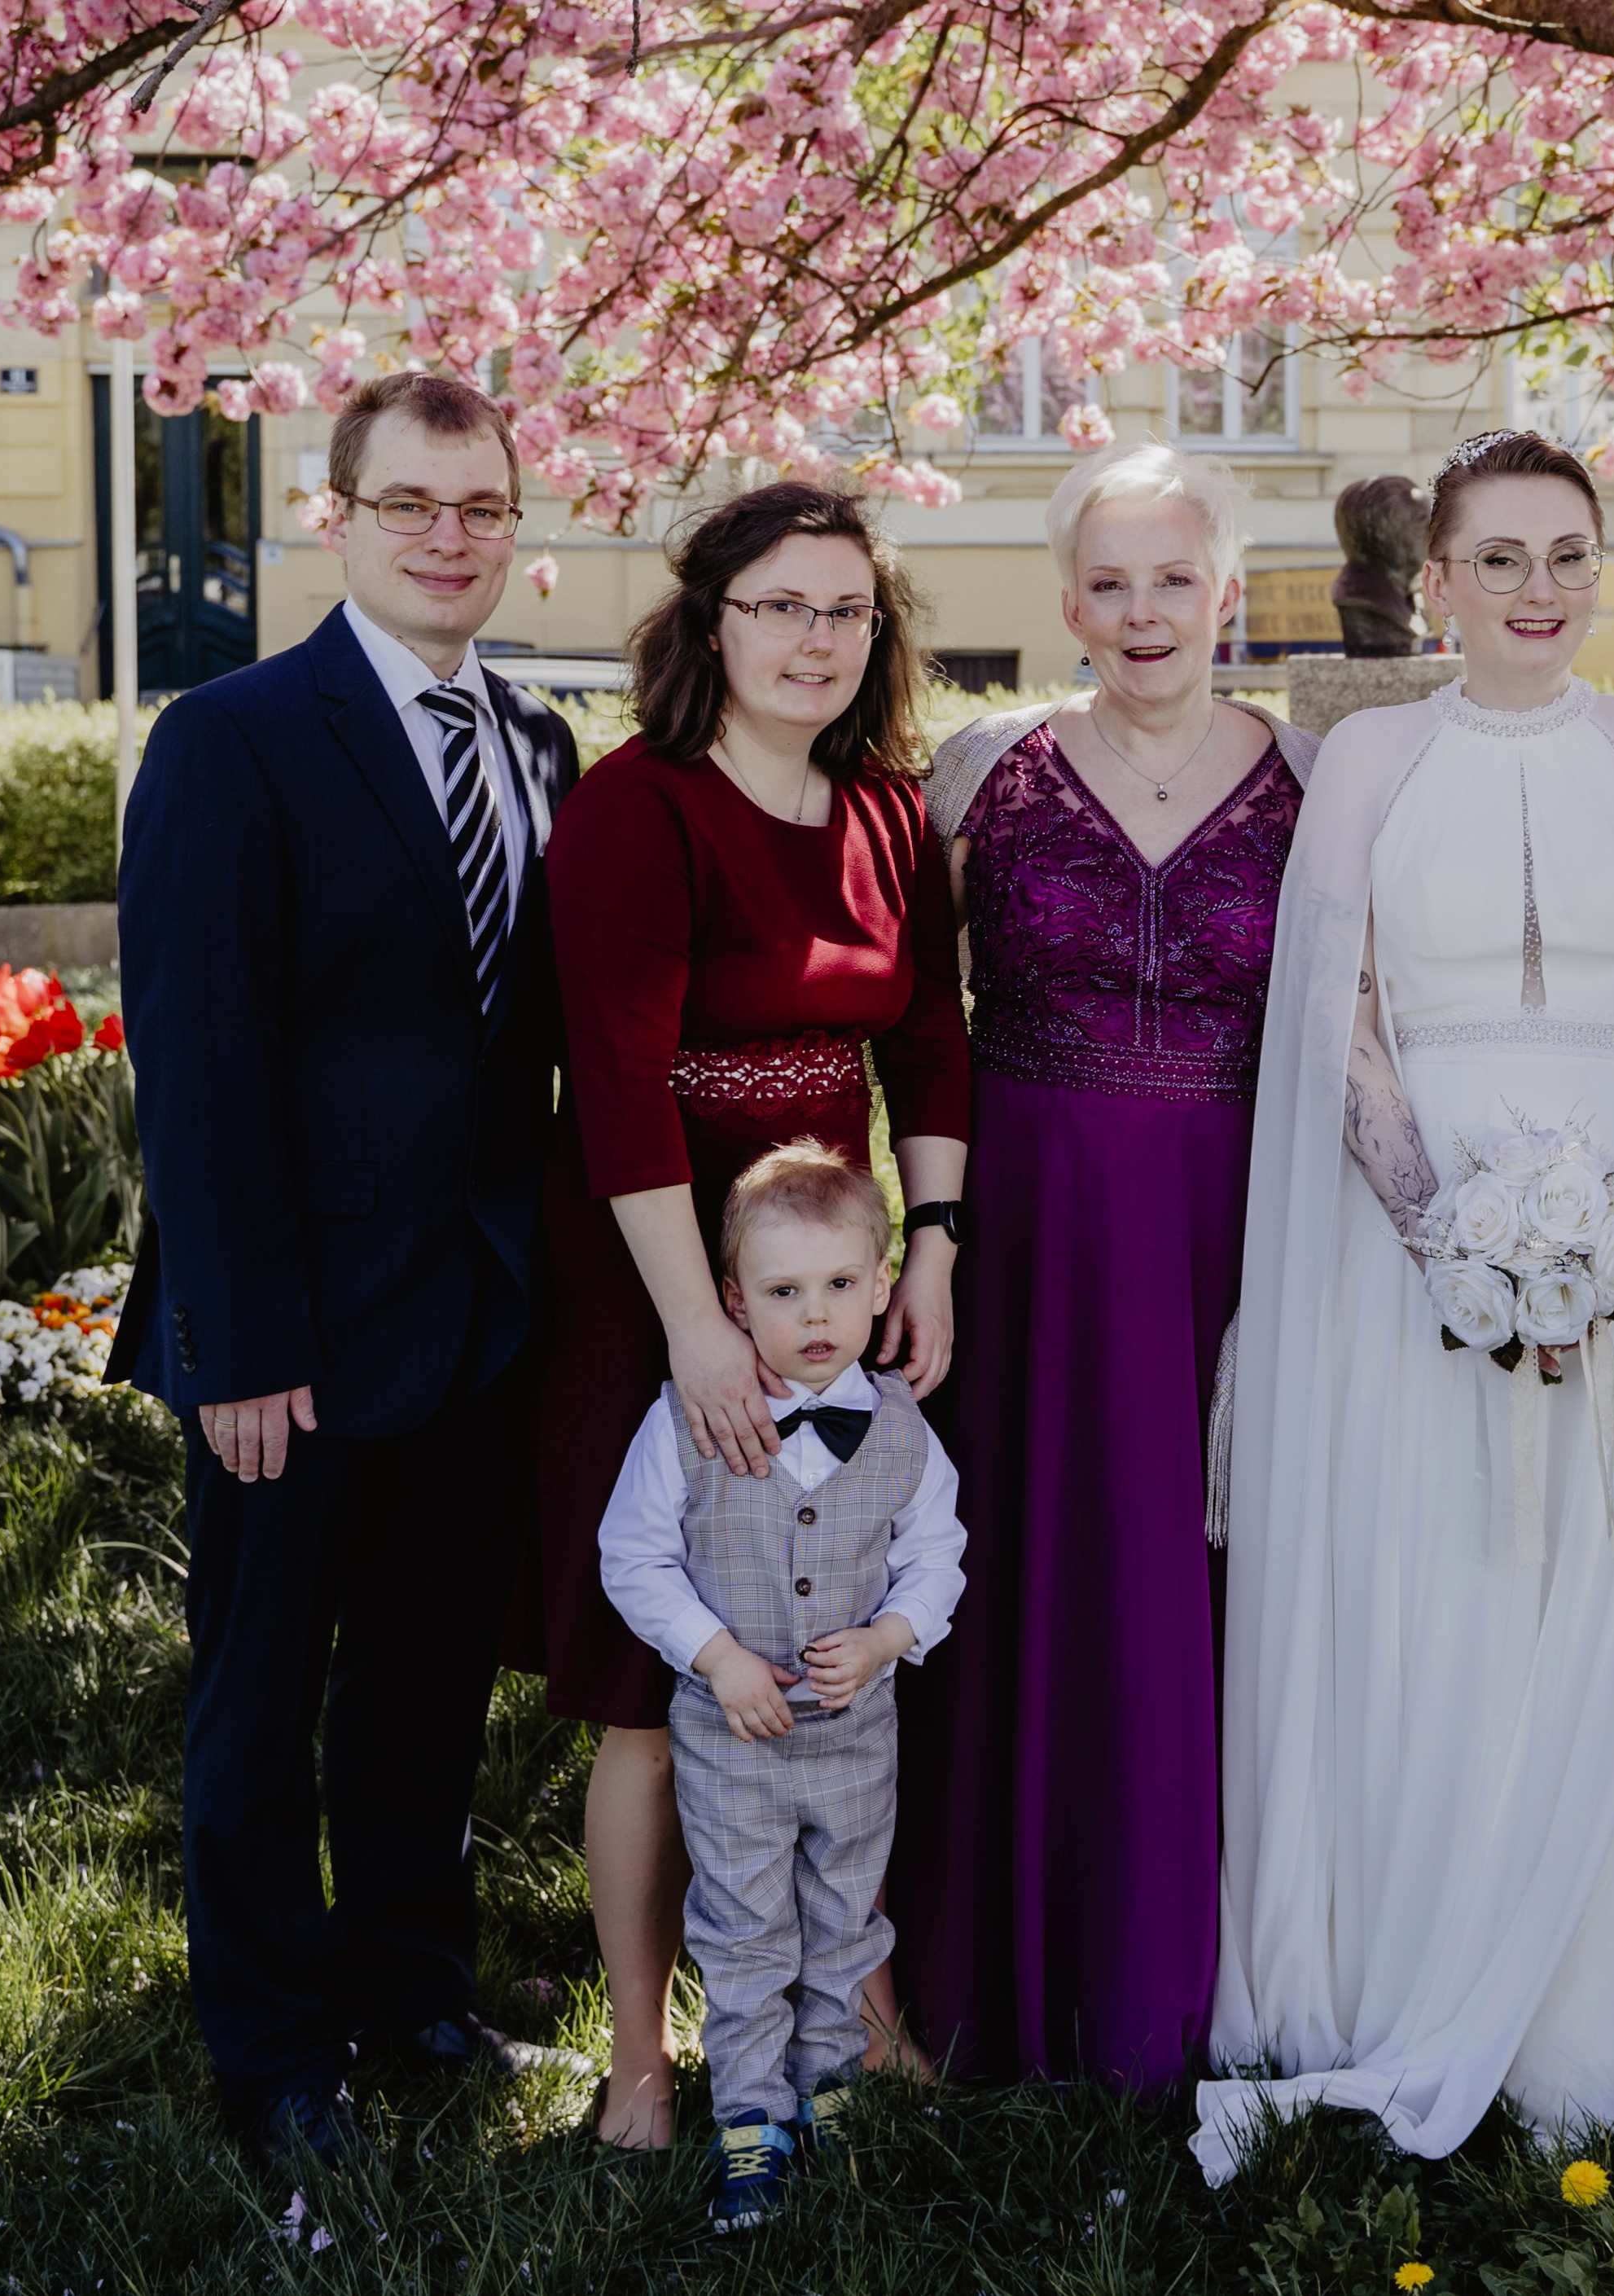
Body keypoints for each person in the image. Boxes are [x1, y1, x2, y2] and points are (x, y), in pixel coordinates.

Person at [1192, 430, 1614, 2183]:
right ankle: (1411, 1961)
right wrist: (1452, 1245)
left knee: (1604, 1562)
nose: (1538, 591)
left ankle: (1610, 1987)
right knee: (1436, 1564)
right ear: (1439, 583)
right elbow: (1338, 1017)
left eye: (1568, 556)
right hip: (1410, 1260)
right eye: (1500, 559)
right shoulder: (1371, 759)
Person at [110, 371, 586, 2168]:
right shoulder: (232, 737)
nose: (449, 539)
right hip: (289, 1333)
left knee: (424, 1682)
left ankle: (410, 1987)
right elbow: (198, 1057)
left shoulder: (537, 745)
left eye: (481, 509)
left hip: (474, 1314)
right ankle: (272, 2049)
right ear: (342, 517)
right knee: (257, 1705)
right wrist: (236, 1340)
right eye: (412, 506)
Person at [534, 481, 971, 2149]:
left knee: (848, 1625)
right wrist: (693, 1333)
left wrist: (930, 1248)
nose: (817, 638)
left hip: (825, 1277)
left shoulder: (889, 813)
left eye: (847, 609)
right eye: (782, 604)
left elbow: (927, 1045)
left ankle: (858, 2013)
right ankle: (646, 2062)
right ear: (710, 621)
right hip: (651, 1273)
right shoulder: (635, 810)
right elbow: (619, 1084)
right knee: (652, 1686)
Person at [893, 443, 1313, 2089]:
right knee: (1021, 1562)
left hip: (1230, 1225)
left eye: (1174, 579)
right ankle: (988, 1975)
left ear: (1227, 593)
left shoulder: (1314, 781)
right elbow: (912, 1016)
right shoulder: (980, 772)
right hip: (1024, 1234)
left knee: (1200, 1567)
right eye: (1110, 583)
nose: (1144, 613)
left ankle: (1181, 1984)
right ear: (1066, 603)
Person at [598, 1142, 965, 2234]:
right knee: (745, 1928)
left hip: (854, 1742)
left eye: (841, 1285)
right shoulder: (685, 1423)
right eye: (784, 1292)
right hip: (732, 1747)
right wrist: (714, 1655)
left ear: (882, 1284)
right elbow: (635, 1558)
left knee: (845, 1919)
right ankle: (750, 2123)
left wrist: (889, 1636)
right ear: (733, 1304)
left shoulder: (901, 1430)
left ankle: (830, 2095)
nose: (816, 1315)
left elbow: (938, 1557)